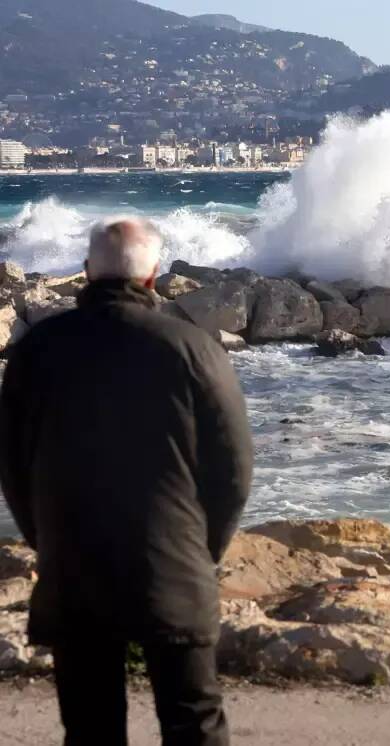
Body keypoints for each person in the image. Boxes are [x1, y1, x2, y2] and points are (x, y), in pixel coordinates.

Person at [0, 217, 254, 746]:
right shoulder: (194, 348)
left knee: (90, 728)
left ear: (88, 272)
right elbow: (232, 469)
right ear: (154, 276)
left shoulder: (38, 350)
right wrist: (202, 551)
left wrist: (47, 542)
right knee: (195, 722)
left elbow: (12, 466)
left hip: (74, 566)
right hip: (174, 564)